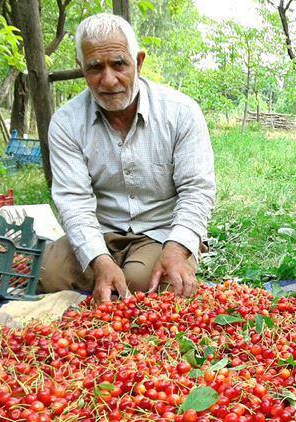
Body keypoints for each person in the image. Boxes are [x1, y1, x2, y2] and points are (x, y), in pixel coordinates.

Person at [39, 13, 215, 304]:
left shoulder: (181, 112)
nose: (108, 81)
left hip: (160, 232)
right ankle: (109, 270)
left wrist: (176, 250)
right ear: (81, 69)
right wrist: (99, 260)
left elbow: (197, 191)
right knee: (48, 274)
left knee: (144, 282)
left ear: (139, 62)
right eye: (95, 67)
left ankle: (143, 267)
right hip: (102, 228)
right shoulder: (66, 122)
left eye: (119, 64)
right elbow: (74, 201)